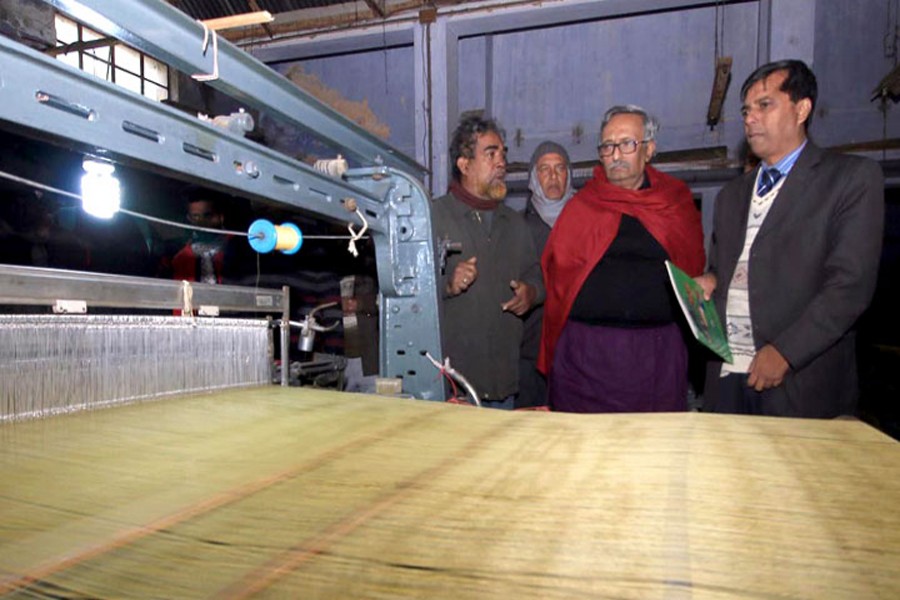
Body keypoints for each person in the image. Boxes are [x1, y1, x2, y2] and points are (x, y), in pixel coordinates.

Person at [696, 59, 884, 418]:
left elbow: (850, 286)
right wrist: (709, 280)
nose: (750, 118)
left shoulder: (850, 179)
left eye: (764, 105)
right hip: (727, 376)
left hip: (798, 381)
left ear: (802, 109)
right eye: (746, 110)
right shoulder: (732, 196)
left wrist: (785, 352)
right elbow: (722, 269)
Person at [539, 105, 705, 413]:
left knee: (649, 451)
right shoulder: (582, 206)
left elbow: (692, 268)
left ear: (649, 150)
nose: (616, 155)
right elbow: (557, 275)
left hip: (655, 357)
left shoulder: (675, 202)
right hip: (586, 358)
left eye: (627, 144)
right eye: (607, 146)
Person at [432, 115, 544, 408]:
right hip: (452, 389)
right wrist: (448, 284)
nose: (502, 163)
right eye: (491, 154)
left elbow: (537, 278)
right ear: (464, 164)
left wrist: (530, 294)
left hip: (504, 385)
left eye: (503, 154)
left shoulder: (515, 224)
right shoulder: (434, 217)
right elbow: (406, 291)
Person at [517, 141, 575, 410]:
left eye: (560, 168)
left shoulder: (587, 222)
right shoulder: (516, 228)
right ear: (533, 178)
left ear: (569, 175)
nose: (553, 176)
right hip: (529, 351)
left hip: (576, 350)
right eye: (544, 169)